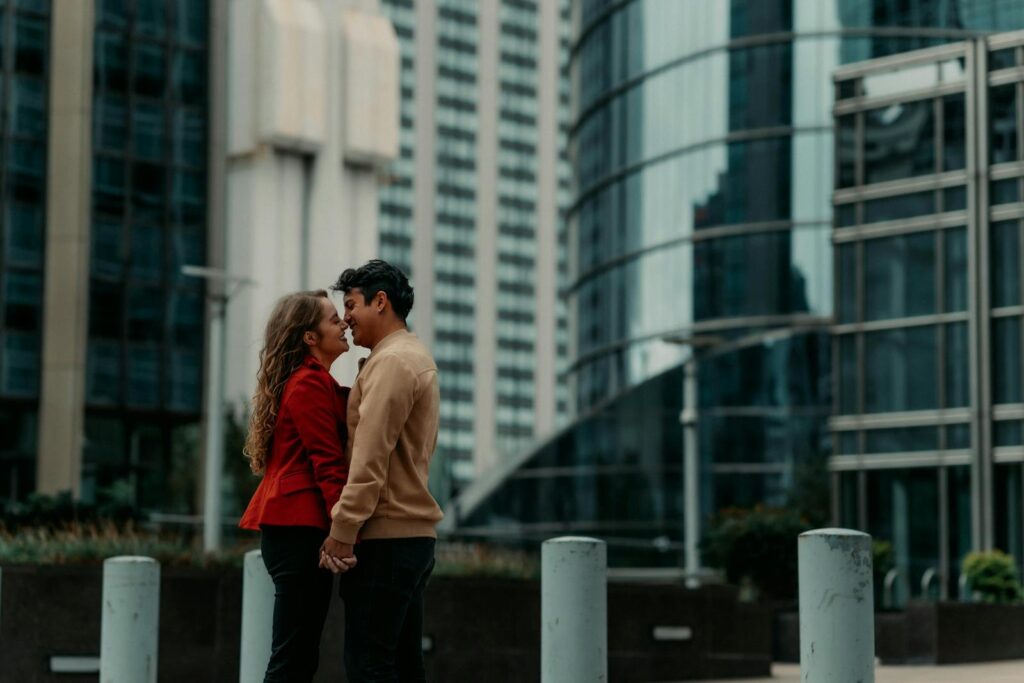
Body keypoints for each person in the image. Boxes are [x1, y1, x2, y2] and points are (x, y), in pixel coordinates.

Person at [319, 260, 443, 682]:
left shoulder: (394, 363)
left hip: (387, 538)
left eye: (351, 305)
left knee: (369, 666)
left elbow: (370, 457)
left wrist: (343, 528)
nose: (346, 318)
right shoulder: (412, 358)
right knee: (403, 667)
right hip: (410, 536)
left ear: (381, 302)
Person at [239, 289, 356, 683]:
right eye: (332, 319)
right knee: (293, 658)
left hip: (294, 531)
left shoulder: (316, 382)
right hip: (297, 532)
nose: (343, 324)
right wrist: (345, 530)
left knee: (299, 656)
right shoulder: (307, 384)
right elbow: (328, 465)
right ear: (309, 337)